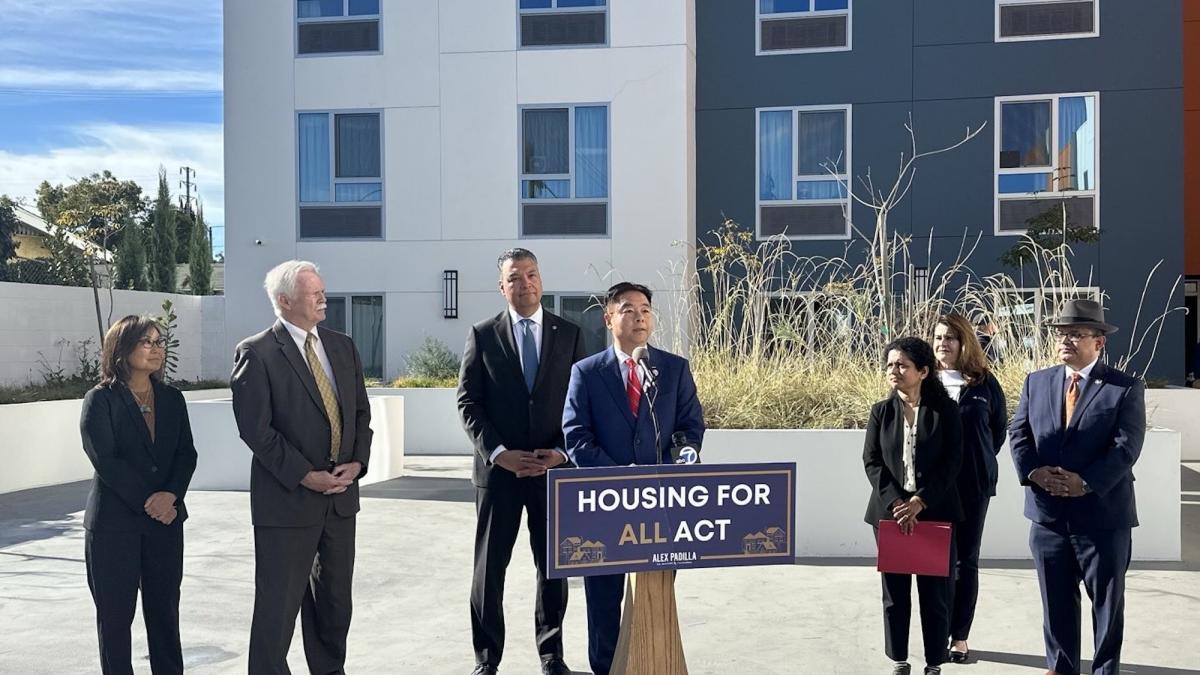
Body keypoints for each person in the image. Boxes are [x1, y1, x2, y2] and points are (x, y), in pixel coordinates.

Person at [231, 260, 373, 675]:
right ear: (284, 300)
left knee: (334, 606)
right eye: (315, 293)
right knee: (277, 609)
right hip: (288, 502)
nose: (323, 298)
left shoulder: (342, 345)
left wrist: (357, 463)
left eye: (322, 290)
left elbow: (361, 414)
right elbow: (256, 431)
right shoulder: (256, 353)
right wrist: (304, 474)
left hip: (340, 501)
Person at [561, 281, 704, 675]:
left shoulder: (673, 369)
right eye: (628, 309)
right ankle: (605, 669)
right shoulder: (586, 373)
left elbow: (690, 427)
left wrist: (685, 458)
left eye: (645, 309)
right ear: (609, 319)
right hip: (606, 506)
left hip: (662, 506)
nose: (639, 317)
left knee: (654, 597)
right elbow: (575, 437)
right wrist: (618, 476)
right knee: (604, 600)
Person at [457, 248, 587, 675]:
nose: (525, 283)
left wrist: (562, 453)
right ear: (502, 286)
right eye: (514, 278)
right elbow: (469, 402)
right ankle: (486, 658)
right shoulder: (482, 334)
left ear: (541, 280)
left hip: (554, 473)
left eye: (531, 275)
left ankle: (552, 655)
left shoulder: (569, 333)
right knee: (489, 570)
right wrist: (499, 454)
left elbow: (581, 404)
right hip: (500, 474)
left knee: (553, 568)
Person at [1009, 299, 1144, 675]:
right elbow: (1018, 433)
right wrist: (1033, 473)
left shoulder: (1124, 387)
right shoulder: (1037, 382)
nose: (1065, 340)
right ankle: (1061, 667)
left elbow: (1126, 447)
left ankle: (1105, 670)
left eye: (1076, 334)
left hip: (1102, 518)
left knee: (1106, 604)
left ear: (1098, 343)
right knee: (1055, 603)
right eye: (1061, 333)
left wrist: (1085, 482)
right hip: (1048, 517)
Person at [80, 315, 197, 675]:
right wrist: (152, 501)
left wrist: (171, 497)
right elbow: (106, 459)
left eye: (160, 342)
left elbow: (185, 453)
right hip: (115, 526)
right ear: (122, 347)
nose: (156, 349)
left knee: (164, 613)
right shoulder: (100, 400)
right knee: (116, 620)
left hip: (165, 523)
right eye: (146, 342)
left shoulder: (172, 398)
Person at [863, 336, 963, 675]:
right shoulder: (881, 411)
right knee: (895, 593)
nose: (894, 370)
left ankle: (935, 660)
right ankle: (899, 659)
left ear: (923, 371)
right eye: (890, 364)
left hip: (934, 513)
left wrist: (921, 500)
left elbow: (953, 462)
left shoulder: (946, 411)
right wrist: (896, 503)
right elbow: (872, 461)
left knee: (935, 594)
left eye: (902, 365)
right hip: (890, 516)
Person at [932, 314, 1008, 663]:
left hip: (973, 485)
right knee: (936, 562)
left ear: (965, 343)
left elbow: (997, 431)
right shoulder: (923, 380)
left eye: (950, 337)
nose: (943, 343)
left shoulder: (984, 383)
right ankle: (936, 630)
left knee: (966, 561)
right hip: (931, 488)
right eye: (938, 337)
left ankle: (959, 637)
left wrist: (974, 462)